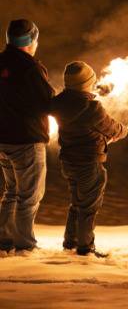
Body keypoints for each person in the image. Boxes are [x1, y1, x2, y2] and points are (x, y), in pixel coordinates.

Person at [51, 61, 128, 257]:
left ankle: (70, 242)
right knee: (88, 205)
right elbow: (113, 128)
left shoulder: (58, 102)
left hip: (68, 161)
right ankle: (85, 247)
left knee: (77, 202)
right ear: (87, 84)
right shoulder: (92, 109)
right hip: (89, 163)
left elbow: (76, 99)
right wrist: (122, 130)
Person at [0, 19, 54, 253]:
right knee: (29, 196)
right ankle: (25, 245)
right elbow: (47, 102)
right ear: (32, 41)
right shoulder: (31, 67)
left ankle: (3, 239)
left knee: (11, 191)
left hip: (3, 140)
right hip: (27, 140)